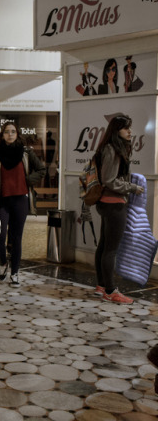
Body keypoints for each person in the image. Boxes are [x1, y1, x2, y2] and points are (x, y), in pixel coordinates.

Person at [0, 121, 45, 286]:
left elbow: (41, 170)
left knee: (16, 238)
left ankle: (15, 273)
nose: (10, 134)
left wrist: (28, 180)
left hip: (20, 200)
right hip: (1, 201)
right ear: (2, 135)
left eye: (13, 132)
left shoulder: (25, 152)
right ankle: (3, 262)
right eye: (7, 132)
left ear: (17, 134)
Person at [94, 114, 144, 304]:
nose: (130, 131)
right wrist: (132, 188)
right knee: (110, 250)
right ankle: (110, 290)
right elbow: (109, 180)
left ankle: (101, 285)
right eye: (126, 128)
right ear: (116, 131)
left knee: (104, 246)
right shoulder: (112, 149)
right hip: (113, 203)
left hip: (106, 203)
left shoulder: (109, 148)